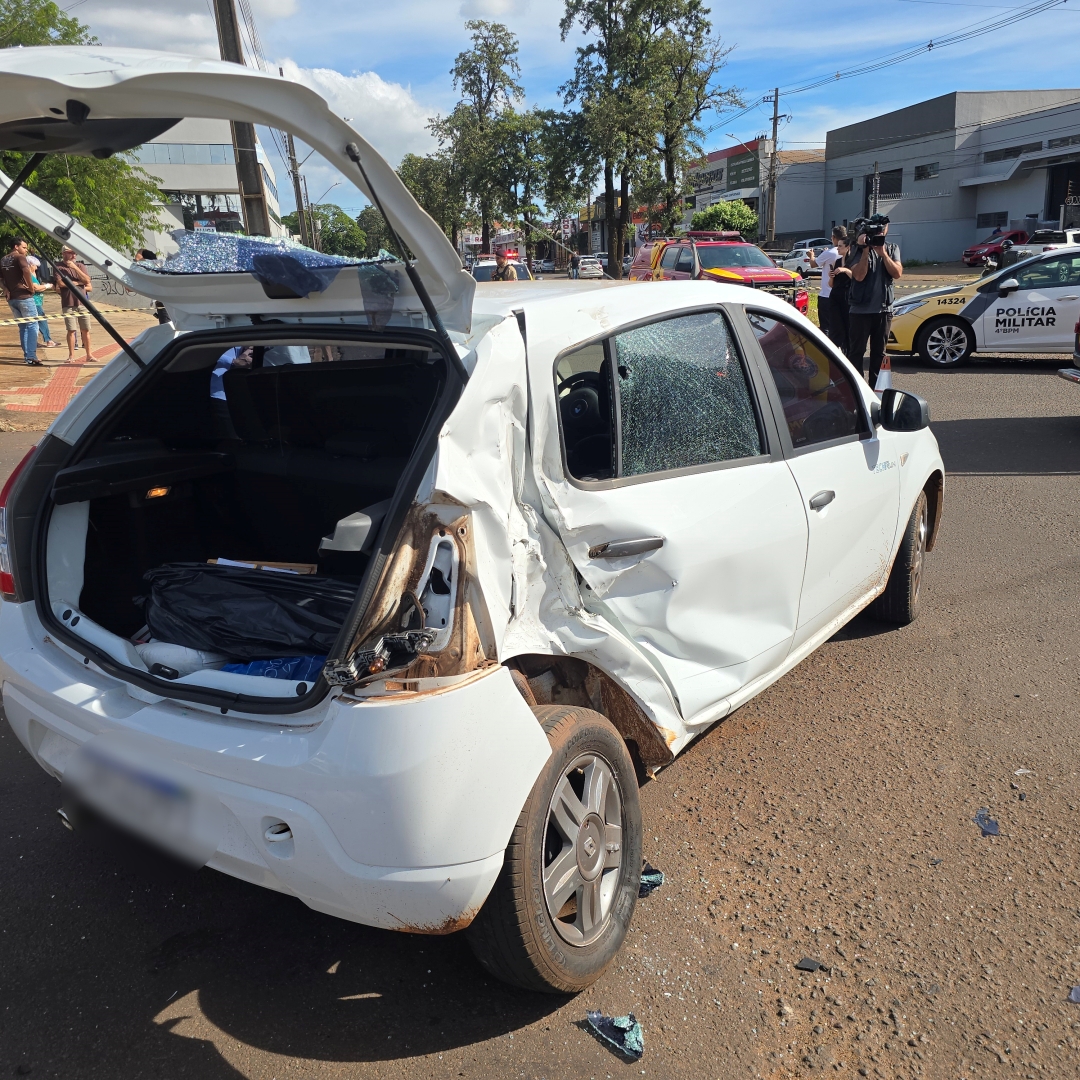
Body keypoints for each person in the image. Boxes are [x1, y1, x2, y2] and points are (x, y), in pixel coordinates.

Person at [847, 217, 902, 386]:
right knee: (856, 352)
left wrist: (883, 254)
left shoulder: (892, 248)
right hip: (860, 311)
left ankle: (876, 390)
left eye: (883, 228)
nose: (880, 232)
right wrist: (865, 251)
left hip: (883, 311)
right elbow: (859, 276)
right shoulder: (855, 249)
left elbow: (897, 273)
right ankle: (857, 388)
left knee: (879, 353)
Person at [1, 238, 51, 365]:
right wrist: (30, 287)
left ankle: (27, 356)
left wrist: (5, 288)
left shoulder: (3, 259)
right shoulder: (20, 257)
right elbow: (26, 271)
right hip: (24, 297)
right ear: (16, 247)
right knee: (33, 325)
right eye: (24, 247)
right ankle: (31, 356)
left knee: (23, 327)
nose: (26, 250)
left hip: (12, 299)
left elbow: (0, 278)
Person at [53, 246, 93, 364]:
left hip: (82, 303)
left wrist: (75, 267)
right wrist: (77, 283)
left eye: (75, 253)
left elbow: (87, 280)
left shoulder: (80, 266)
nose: (74, 256)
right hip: (68, 303)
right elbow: (60, 284)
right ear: (64, 253)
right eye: (71, 253)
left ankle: (89, 355)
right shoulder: (58, 267)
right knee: (71, 330)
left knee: (85, 329)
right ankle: (71, 356)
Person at [811, 226, 847, 338]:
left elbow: (813, 264)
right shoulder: (847, 252)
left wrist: (811, 255)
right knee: (840, 326)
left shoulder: (830, 253)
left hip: (826, 295)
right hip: (842, 294)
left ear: (834, 237)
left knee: (826, 327)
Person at [826, 237, 854, 357]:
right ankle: (835, 352)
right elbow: (831, 284)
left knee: (848, 325)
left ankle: (848, 351)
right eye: (837, 246)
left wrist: (845, 270)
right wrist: (831, 276)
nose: (838, 248)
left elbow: (857, 277)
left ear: (848, 247)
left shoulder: (853, 261)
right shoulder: (836, 261)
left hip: (847, 296)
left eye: (841, 246)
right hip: (835, 296)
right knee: (835, 325)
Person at [26, 254, 60, 351]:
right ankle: (48, 340)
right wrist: (47, 286)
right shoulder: (28, 275)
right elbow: (36, 288)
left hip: (37, 301)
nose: (36, 267)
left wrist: (43, 287)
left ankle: (35, 341)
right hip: (34, 302)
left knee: (35, 322)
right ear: (30, 265)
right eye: (35, 265)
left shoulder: (33, 275)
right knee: (42, 321)